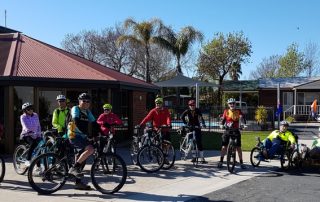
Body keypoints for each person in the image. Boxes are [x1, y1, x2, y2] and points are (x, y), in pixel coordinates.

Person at [67, 93, 96, 190]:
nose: (86, 103)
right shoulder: (76, 109)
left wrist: (103, 132)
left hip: (81, 136)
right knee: (90, 149)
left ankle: (78, 183)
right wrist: (88, 134)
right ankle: (73, 168)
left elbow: (95, 124)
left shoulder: (87, 111)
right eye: (84, 101)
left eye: (88, 101)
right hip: (74, 135)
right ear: (79, 101)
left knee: (82, 158)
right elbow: (76, 121)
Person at [139, 97, 171, 163]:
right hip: (157, 129)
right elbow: (147, 118)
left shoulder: (165, 110)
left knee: (167, 143)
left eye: (159, 103)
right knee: (158, 142)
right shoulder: (153, 111)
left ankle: (165, 156)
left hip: (165, 128)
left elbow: (168, 117)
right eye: (156, 103)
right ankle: (160, 155)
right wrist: (141, 124)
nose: (158, 105)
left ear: (162, 104)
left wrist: (168, 124)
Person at [217, 98, 247, 169]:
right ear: (228, 104)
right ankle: (221, 161)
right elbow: (223, 120)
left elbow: (243, 119)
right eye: (230, 103)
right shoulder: (226, 111)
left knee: (238, 147)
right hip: (228, 130)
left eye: (233, 103)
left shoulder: (238, 111)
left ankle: (241, 163)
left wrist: (244, 125)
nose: (232, 105)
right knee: (224, 146)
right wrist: (221, 125)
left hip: (236, 130)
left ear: (235, 104)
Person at [181, 99, 207, 163]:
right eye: (190, 105)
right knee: (192, 143)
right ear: (189, 105)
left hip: (197, 127)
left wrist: (203, 124)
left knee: (199, 142)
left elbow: (201, 117)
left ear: (195, 105)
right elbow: (182, 117)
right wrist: (186, 123)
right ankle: (194, 157)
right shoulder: (187, 111)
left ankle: (202, 158)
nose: (192, 106)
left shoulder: (197, 110)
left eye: (193, 105)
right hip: (190, 127)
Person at [20, 102, 42, 167]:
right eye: (28, 109)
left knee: (39, 148)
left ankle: (38, 167)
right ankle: (28, 160)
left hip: (35, 134)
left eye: (31, 108)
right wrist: (29, 131)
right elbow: (24, 126)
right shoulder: (23, 117)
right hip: (26, 135)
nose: (31, 110)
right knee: (33, 144)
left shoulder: (35, 115)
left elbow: (38, 125)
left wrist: (39, 133)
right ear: (25, 111)